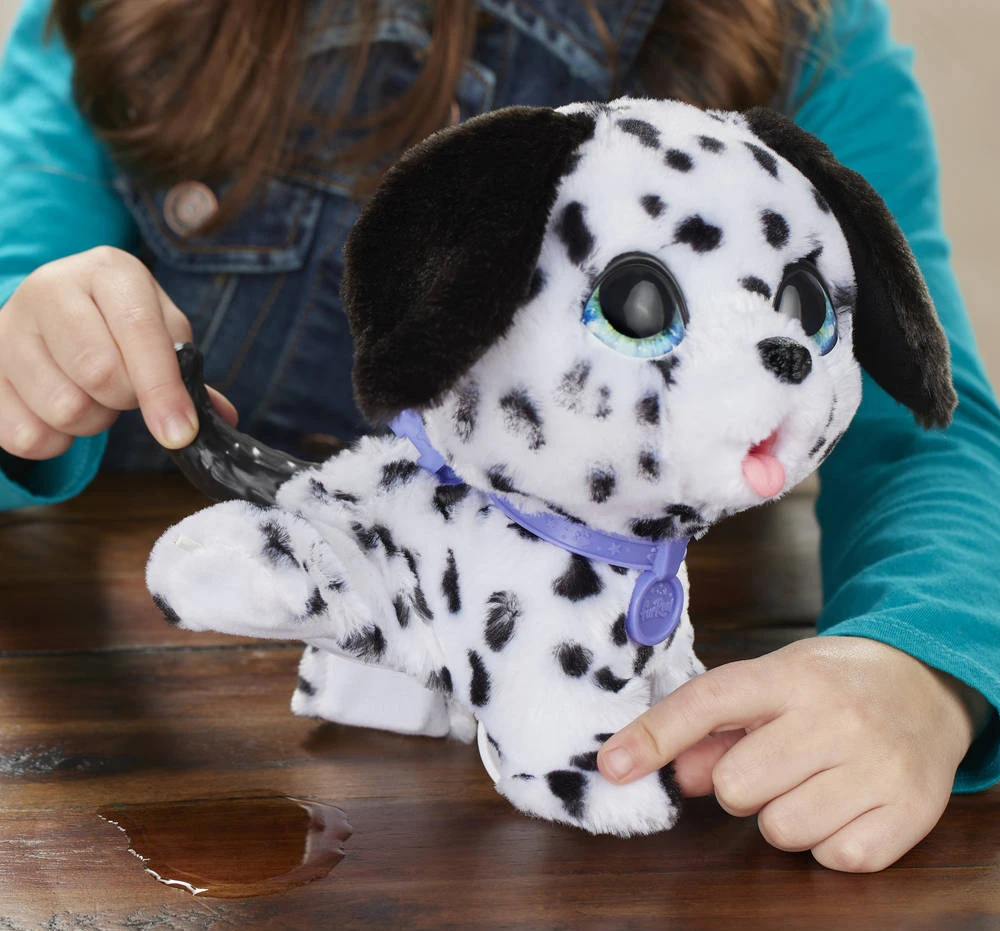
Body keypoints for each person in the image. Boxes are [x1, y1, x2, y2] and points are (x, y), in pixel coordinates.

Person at [0, 0, 997, 872]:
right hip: (180, 765)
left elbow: (929, 432)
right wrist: (27, 372)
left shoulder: (808, 33)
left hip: (613, 815)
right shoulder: (116, 18)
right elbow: (23, 303)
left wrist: (918, 669)